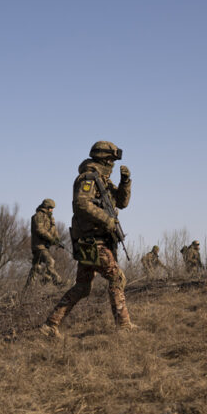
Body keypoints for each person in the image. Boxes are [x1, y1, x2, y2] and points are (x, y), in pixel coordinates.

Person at [41, 141, 134, 337]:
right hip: (93, 241)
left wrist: (125, 182)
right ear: (104, 159)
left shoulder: (103, 181)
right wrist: (107, 220)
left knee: (82, 287)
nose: (113, 165)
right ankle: (124, 326)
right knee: (117, 278)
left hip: (95, 242)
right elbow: (81, 204)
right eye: (111, 160)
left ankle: (50, 325)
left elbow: (122, 203)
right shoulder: (88, 179)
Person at [25, 199, 64, 287]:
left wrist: (57, 240)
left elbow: (53, 231)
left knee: (35, 268)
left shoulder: (50, 218)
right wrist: (52, 239)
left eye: (52, 208)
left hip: (45, 246)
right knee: (50, 262)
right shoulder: (38, 216)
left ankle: (28, 289)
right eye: (50, 208)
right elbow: (40, 230)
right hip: (38, 246)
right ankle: (58, 282)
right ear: (46, 207)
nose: (52, 210)